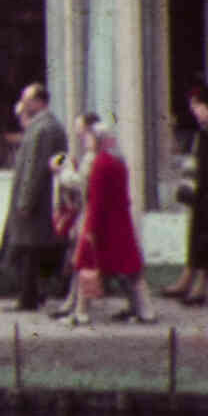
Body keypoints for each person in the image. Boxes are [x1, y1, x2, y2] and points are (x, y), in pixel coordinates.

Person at [65, 113, 154, 325]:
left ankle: (81, 312)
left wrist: (90, 229)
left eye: (89, 137)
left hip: (100, 224)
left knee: (86, 266)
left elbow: (95, 199)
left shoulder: (99, 164)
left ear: (97, 140)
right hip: (121, 223)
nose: (86, 141)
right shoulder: (119, 162)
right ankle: (146, 310)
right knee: (132, 270)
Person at [1, 83, 69, 313]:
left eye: (27, 99)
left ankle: (28, 298)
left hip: (38, 202)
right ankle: (34, 294)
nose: (23, 103)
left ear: (39, 102)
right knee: (31, 250)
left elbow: (34, 167)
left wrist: (25, 201)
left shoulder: (43, 129)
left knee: (28, 249)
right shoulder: (44, 126)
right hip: (41, 200)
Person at [175, 83, 208, 309]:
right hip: (200, 191)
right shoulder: (202, 132)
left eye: (197, 106)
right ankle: (188, 280)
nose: (194, 111)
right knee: (195, 235)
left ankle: (200, 286)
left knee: (204, 239)